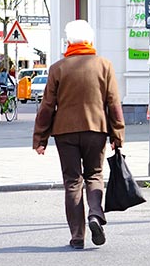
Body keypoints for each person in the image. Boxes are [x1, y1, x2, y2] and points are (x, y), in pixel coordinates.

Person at [32, 20, 125, 250]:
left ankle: (77, 237)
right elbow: (113, 103)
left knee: (73, 182)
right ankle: (95, 214)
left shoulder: (58, 68)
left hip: (65, 132)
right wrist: (117, 134)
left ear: (68, 42)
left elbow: (47, 106)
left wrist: (40, 138)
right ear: (90, 40)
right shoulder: (104, 65)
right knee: (94, 174)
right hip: (96, 129)